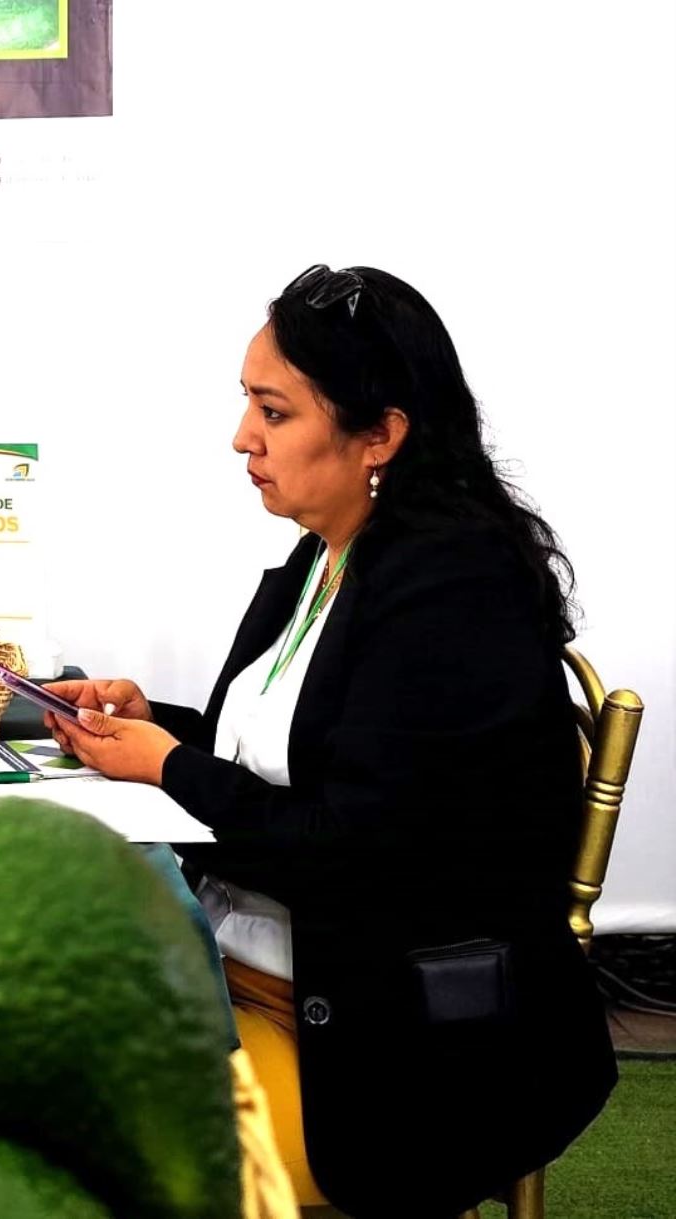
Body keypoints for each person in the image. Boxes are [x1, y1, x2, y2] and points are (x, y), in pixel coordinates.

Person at [42, 266, 614, 1217]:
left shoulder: (450, 594)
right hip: (255, 974)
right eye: (246, 404)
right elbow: (300, 752)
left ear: (381, 433)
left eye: (273, 410)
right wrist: (158, 723)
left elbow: (351, 849)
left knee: (72, 1126)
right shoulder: (330, 550)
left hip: (386, 1056)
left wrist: (170, 766)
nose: (242, 438)